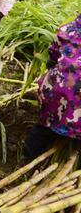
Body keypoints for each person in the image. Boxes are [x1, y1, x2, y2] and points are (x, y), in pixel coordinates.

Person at [22, 13, 81, 160]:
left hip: (53, 91)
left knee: (44, 128)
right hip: (77, 99)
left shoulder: (67, 29)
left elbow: (52, 58)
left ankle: (27, 158)